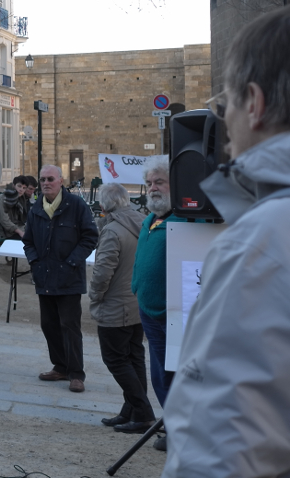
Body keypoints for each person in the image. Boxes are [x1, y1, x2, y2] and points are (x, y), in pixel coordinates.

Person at [162, 6, 290, 477]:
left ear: (254, 104)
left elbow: (219, 443)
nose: (225, 126)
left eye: (226, 105)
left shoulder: (261, 243)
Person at [22, 165, 98, 393]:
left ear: (61, 181)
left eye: (50, 179)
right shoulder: (36, 208)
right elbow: (29, 241)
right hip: (44, 277)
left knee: (70, 326)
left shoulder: (76, 205)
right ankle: (60, 366)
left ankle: (76, 373)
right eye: (43, 179)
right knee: (49, 325)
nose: (46, 183)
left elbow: (90, 237)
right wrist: (35, 262)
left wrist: (72, 262)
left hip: (69, 278)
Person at [89, 183, 154, 434]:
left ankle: (143, 413)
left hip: (115, 306)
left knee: (116, 359)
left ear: (104, 205)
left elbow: (103, 271)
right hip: (137, 301)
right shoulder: (144, 222)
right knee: (134, 356)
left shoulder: (113, 230)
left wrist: (96, 296)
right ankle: (133, 411)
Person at [128, 156, 175, 449]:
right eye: (149, 183)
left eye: (159, 182)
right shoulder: (150, 218)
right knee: (158, 373)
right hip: (148, 310)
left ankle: (180, 429)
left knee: (172, 375)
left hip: (170, 313)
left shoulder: (183, 219)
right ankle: (171, 422)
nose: (153, 188)